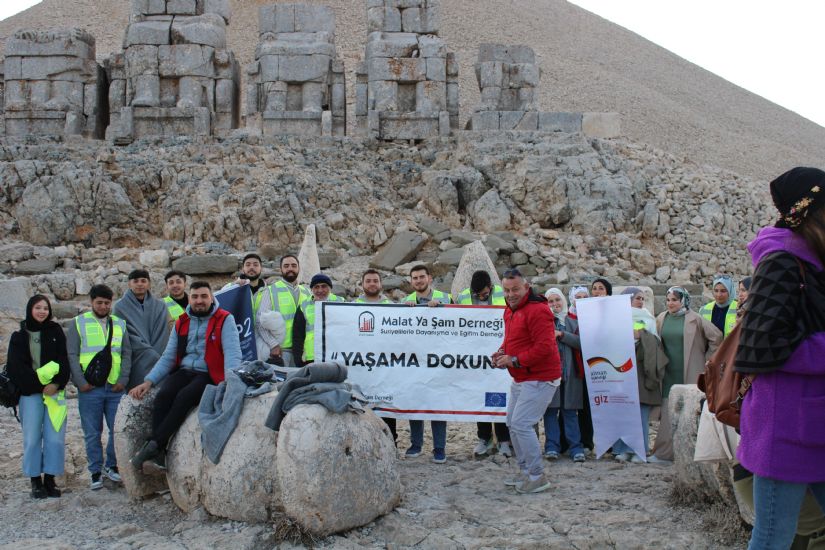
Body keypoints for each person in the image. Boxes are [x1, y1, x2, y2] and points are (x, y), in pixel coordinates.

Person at [734, 167, 825, 549]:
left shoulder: (814, 263)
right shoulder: (782, 263)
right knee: (773, 538)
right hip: (787, 428)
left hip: (814, 422)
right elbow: (760, 346)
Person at [129, 282, 242, 470]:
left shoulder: (224, 319)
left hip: (209, 373)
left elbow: (233, 353)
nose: (199, 301)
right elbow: (169, 356)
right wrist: (148, 382)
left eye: (204, 296)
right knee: (163, 396)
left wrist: (231, 382)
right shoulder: (182, 321)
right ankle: (158, 452)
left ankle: (153, 446)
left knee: (184, 397)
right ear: (189, 298)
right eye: (195, 297)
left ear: (212, 298)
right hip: (184, 370)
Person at [494, 269, 561, 494]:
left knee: (521, 424)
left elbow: (545, 347)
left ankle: (537, 475)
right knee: (513, 422)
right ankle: (525, 471)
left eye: (515, 289)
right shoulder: (510, 309)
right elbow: (512, 339)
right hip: (523, 376)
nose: (510, 294)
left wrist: (514, 360)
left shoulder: (538, 310)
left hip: (541, 377)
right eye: (506, 290)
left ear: (526, 286)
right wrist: (502, 351)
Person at [6, 295, 70, 498]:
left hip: (55, 393)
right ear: (29, 309)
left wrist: (57, 384)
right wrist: (39, 386)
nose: (42, 311)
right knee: (32, 439)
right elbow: (16, 368)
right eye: (37, 307)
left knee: (55, 439)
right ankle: (35, 481)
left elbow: (64, 360)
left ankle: (50, 479)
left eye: (45, 308)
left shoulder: (56, 331)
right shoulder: (19, 336)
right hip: (30, 394)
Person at [69, 284, 132, 489]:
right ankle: (95, 471)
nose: (103, 306)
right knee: (92, 432)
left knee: (116, 430)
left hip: (114, 388)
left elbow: (126, 353)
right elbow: (72, 354)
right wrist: (81, 383)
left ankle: (112, 466)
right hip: (90, 388)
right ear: (91, 302)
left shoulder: (120, 324)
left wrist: (122, 380)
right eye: (99, 303)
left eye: (107, 303)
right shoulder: (78, 323)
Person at [652, 287, 722, 461]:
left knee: (689, 412)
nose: (670, 303)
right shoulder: (662, 318)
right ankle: (664, 453)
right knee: (668, 410)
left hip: (691, 369)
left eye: (674, 300)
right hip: (668, 372)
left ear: (683, 300)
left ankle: (692, 454)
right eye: (668, 300)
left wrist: (707, 360)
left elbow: (717, 337)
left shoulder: (695, 319)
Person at [456, 270, 512, 458]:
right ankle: (484, 438)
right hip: (475, 358)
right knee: (480, 399)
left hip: (499, 354)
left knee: (500, 398)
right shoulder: (464, 296)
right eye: (478, 294)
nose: (481, 296)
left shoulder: (501, 294)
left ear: (490, 286)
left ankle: (504, 441)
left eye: (484, 293)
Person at [402, 264, 451, 463]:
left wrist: (441, 308)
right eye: (415, 278)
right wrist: (405, 312)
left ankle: (439, 448)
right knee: (416, 402)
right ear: (411, 281)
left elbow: (460, 321)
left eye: (422, 277)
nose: (418, 281)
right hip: (416, 360)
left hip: (439, 360)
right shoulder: (406, 302)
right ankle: (416, 444)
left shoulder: (444, 298)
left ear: (429, 278)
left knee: (438, 404)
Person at [611, 288, 667, 463]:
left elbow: (654, 341)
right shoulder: (616, 318)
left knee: (641, 412)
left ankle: (639, 450)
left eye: (642, 298)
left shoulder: (647, 318)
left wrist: (641, 335)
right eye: (637, 298)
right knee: (624, 411)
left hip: (642, 370)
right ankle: (625, 449)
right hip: (621, 369)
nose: (640, 301)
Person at [352, 270, 397, 443]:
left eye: (375, 281)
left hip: (385, 365)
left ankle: (391, 442)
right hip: (361, 364)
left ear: (381, 284)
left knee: (386, 404)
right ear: (362, 284)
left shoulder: (391, 305)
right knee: (362, 403)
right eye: (368, 281)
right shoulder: (351, 307)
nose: (372, 284)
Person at [541, 288, 585, 463]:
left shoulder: (573, 321)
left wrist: (562, 335)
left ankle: (576, 448)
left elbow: (583, 343)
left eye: (557, 300)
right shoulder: (543, 321)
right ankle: (551, 446)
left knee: (570, 412)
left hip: (571, 374)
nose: (554, 305)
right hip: (550, 374)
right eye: (550, 301)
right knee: (550, 412)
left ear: (564, 301)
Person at [113, 269, 170, 389]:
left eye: (143, 281)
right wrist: (148, 352)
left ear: (149, 284)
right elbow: (125, 334)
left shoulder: (160, 306)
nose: (140, 284)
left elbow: (162, 332)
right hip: (135, 357)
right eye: (136, 281)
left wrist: (155, 353)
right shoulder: (119, 307)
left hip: (158, 357)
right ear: (129, 284)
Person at [257, 254, 312, 367]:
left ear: (298, 268)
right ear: (281, 269)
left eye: (293, 265)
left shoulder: (307, 292)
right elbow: (259, 322)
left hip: (304, 351)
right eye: (286, 266)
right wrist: (273, 345)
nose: (290, 268)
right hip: (281, 351)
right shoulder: (271, 291)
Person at [293, 273, 345, 366]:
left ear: (330, 288)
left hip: (335, 356)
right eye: (316, 287)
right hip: (311, 358)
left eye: (324, 286)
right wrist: (298, 359)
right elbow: (298, 336)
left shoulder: (341, 302)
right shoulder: (303, 306)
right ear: (312, 289)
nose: (320, 290)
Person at [567, 285, 594, 452]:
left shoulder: (593, 318)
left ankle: (586, 442)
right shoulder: (565, 318)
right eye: (579, 297)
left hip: (591, 367)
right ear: (572, 299)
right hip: (572, 367)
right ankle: (567, 442)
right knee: (569, 406)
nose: (582, 300)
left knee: (587, 407)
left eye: (585, 297)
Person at [226, 253, 269, 317]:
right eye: (248, 265)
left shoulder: (269, 291)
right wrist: (234, 287)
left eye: (255, 265)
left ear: (261, 268)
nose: (251, 267)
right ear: (243, 268)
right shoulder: (230, 287)